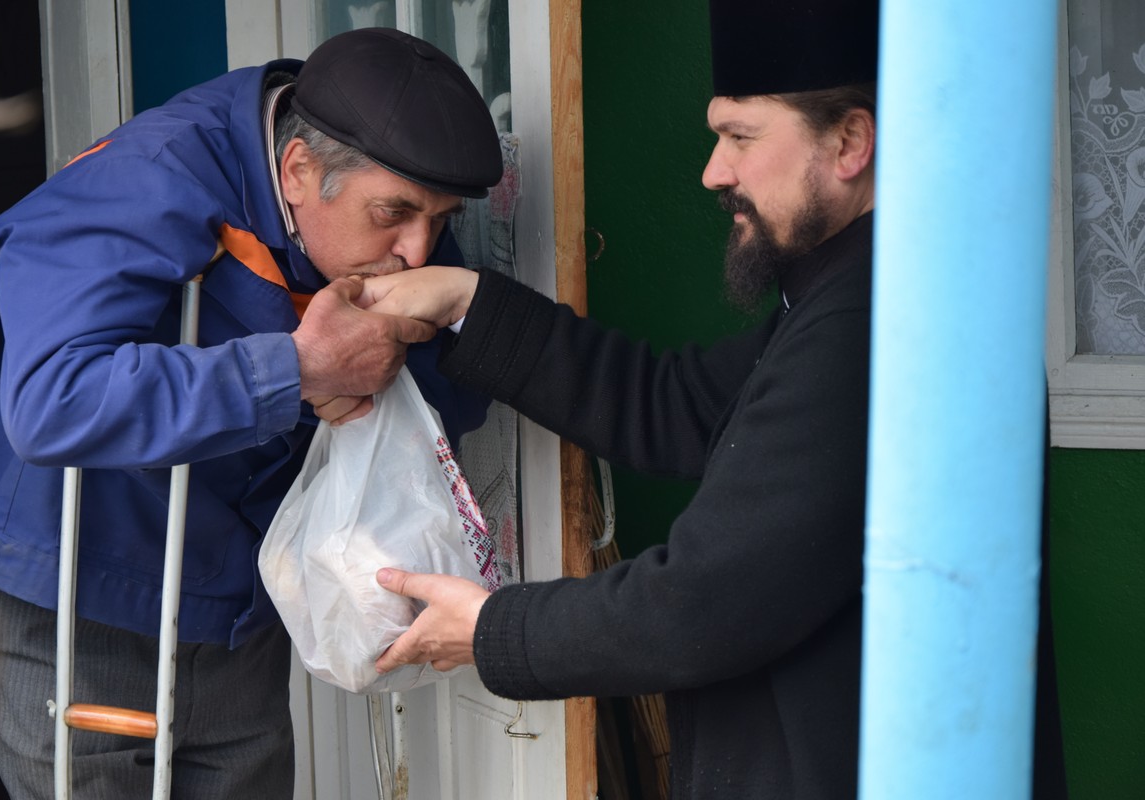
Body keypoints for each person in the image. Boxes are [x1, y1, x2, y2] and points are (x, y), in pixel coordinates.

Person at [356, 2, 1070, 798]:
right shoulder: (868, 289)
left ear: (849, 142)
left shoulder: (884, 326)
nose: (714, 172)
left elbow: (699, 605)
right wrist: (464, 300)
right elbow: (681, 405)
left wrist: (490, 630)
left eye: (740, 137)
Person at [0, 27, 501, 799]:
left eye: (439, 220)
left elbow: (444, 391)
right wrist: (300, 369)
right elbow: (51, 401)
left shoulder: (387, 191)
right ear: (298, 169)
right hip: (74, 588)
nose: (418, 248)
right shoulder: (145, 180)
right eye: (395, 213)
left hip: (232, 603)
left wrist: (373, 382)